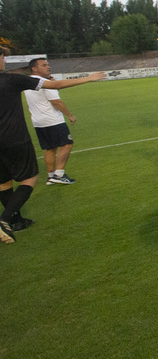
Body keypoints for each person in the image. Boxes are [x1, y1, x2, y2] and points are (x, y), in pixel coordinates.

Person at [0, 46, 105, 243]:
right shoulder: (11, 80)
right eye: (2, 57)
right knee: (29, 179)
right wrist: (88, 78)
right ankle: (4, 219)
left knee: (4, 182)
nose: (4, 61)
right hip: (14, 138)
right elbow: (55, 86)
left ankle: (17, 221)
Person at [24, 58, 79, 185]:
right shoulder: (44, 82)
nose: (48, 67)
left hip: (38, 121)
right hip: (52, 120)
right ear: (34, 68)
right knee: (67, 144)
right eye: (44, 65)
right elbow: (56, 101)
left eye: (48, 65)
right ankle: (59, 174)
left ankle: (50, 176)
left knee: (50, 148)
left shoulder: (29, 82)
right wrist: (69, 115)